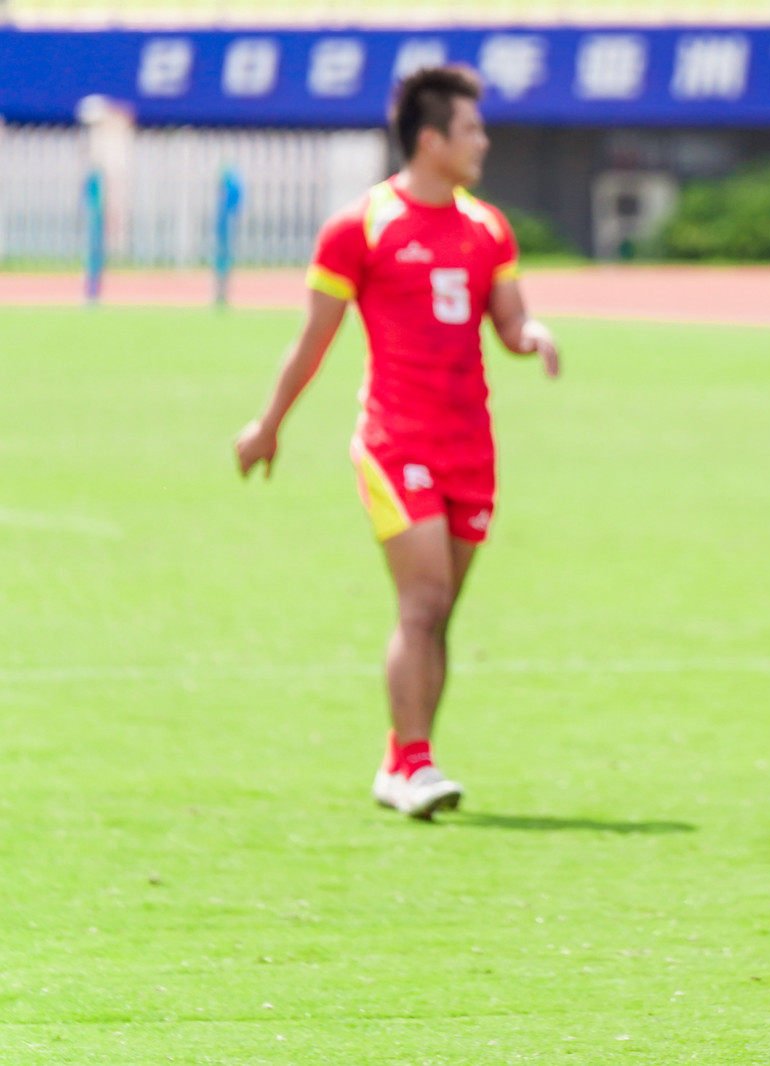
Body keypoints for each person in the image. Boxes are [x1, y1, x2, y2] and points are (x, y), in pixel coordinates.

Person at [234, 66, 560, 819]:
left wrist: (532, 334)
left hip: (471, 447)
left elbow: (508, 323)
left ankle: (400, 758)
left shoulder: (487, 227)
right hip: (394, 442)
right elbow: (314, 338)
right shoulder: (361, 226)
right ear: (430, 138)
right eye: (471, 128)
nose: (483, 140)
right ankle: (415, 762)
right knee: (423, 601)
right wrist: (269, 424)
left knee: (438, 614)